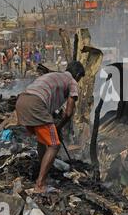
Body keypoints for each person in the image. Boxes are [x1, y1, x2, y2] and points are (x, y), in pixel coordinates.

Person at [15, 61, 85, 193]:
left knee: (42, 141)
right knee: (54, 145)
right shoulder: (72, 81)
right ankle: (40, 185)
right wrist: (59, 127)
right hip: (36, 104)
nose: (79, 81)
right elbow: (69, 113)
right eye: (80, 78)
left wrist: (56, 127)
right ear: (77, 75)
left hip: (21, 101)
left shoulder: (55, 76)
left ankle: (43, 173)